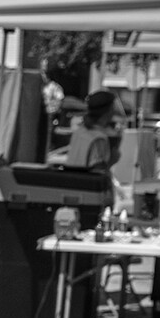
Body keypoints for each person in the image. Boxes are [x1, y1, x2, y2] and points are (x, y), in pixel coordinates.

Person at [60, 90, 124, 237]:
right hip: (91, 201)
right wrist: (114, 155)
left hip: (71, 193)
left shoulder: (79, 132)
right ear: (108, 111)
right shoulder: (99, 138)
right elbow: (99, 172)